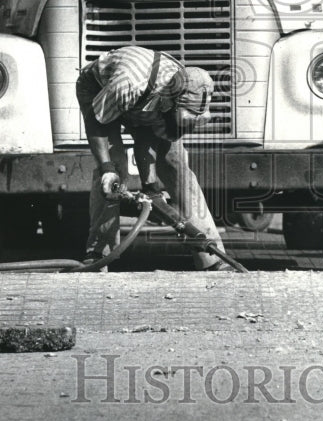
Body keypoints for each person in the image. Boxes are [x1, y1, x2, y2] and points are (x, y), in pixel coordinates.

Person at [76, 46, 230, 271]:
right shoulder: (128, 85)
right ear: (168, 105)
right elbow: (96, 123)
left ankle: (212, 256)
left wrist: (151, 187)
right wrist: (106, 167)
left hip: (144, 98)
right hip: (99, 90)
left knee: (177, 167)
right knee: (113, 173)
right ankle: (99, 254)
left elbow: (147, 134)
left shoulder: (180, 85)